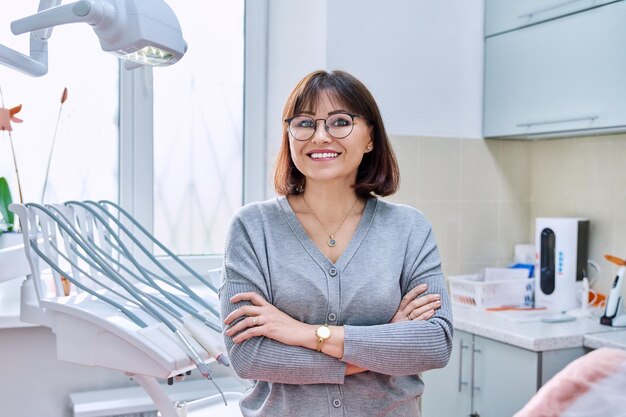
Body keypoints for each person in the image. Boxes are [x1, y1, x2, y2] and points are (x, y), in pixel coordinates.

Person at [220, 69, 453, 417]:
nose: (320, 136)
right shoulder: (252, 228)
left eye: (340, 122)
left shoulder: (409, 228)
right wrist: (384, 342)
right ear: (289, 135)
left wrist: (303, 333)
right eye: (304, 123)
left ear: (370, 137)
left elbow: (433, 345)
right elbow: (249, 357)